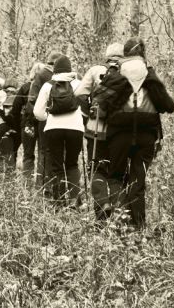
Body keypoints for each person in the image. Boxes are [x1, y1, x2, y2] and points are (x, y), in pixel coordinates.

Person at [99, 37, 174, 229]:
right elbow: (168, 106)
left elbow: (101, 102)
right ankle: (138, 226)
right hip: (146, 136)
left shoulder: (116, 73)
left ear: (125, 53)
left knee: (115, 177)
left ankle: (120, 223)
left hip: (118, 135)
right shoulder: (149, 74)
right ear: (142, 53)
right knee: (137, 181)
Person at [75, 42, 124, 221]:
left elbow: (79, 94)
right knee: (118, 171)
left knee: (96, 168)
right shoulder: (127, 71)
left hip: (96, 129)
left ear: (107, 56)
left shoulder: (96, 71)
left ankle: (102, 206)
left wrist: (88, 112)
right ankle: (119, 214)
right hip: (121, 131)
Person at [33, 56, 84, 206]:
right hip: (75, 128)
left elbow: (37, 112)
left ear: (55, 70)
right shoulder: (78, 84)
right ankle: (74, 200)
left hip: (53, 129)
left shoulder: (48, 85)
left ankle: (59, 201)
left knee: (56, 165)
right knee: (72, 164)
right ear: (70, 69)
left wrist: (47, 116)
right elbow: (86, 105)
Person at [26, 52, 64, 188]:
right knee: (59, 152)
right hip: (64, 120)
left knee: (43, 151)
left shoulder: (41, 74)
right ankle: (57, 185)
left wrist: (31, 120)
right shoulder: (67, 75)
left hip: (45, 120)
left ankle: (41, 185)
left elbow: (32, 100)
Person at [9, 63, 46, 179]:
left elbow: (15, 108)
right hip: (44, 122)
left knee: (28, 155)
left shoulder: (25, 87)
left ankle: (27, 184)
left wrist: (20, 122)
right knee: (42, 153)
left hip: (28, 124)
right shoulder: (48, 87)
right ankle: (40, 183)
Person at [0, 78, 20, 171]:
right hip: (16, 127)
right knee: (13, 151)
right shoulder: (19, 94)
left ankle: (0, 170)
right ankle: (12, 170)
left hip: (2, 125)